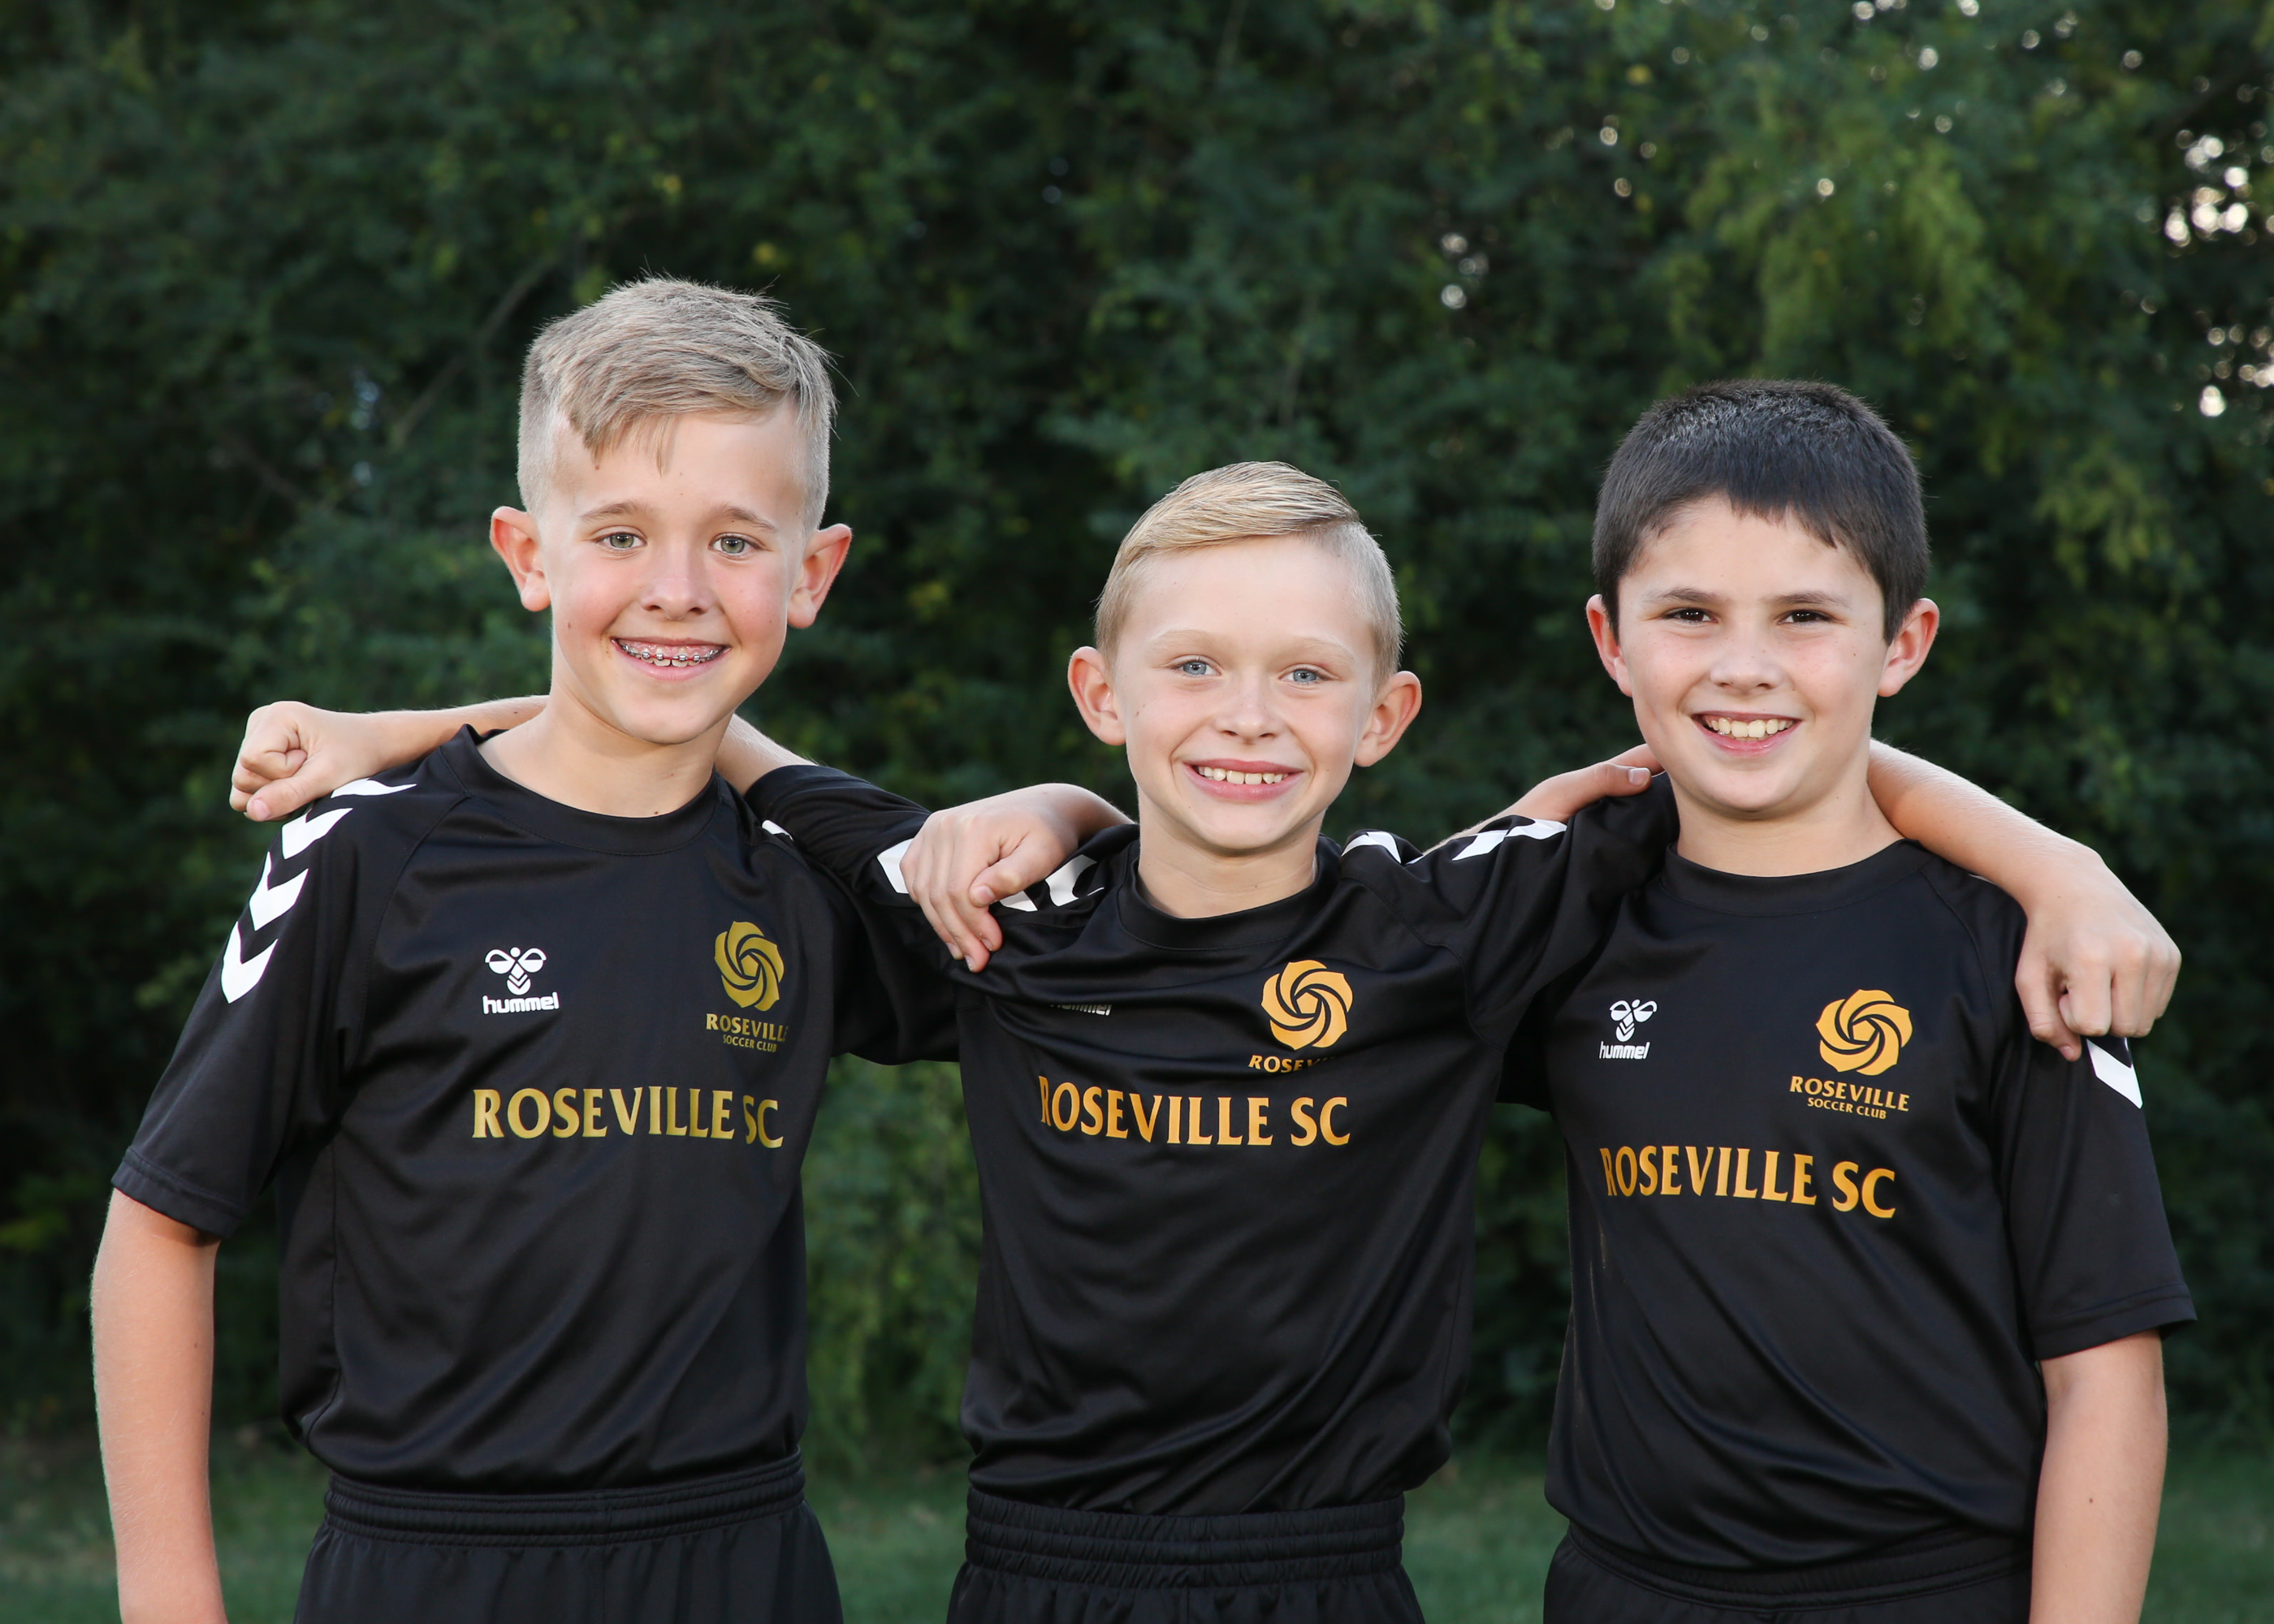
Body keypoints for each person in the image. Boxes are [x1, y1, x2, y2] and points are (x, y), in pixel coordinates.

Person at [231, 461, 2178, 1624]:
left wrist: (2056, 861)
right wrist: (405, 729)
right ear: (1100, 692)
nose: (1245, 716)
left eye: (1303, 673)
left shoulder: (1451, 921)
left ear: (1382, 718)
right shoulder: (996, 912)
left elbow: (1747, 746)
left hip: (1329, 1571)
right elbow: (688, 709)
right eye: (1192, 667)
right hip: (1033, 1574)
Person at [89, 278, 1118, 1624]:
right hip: (434, 1569)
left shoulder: (803, 876)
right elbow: (162, 1223)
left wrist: (1068, 804)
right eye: (621, 534)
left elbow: (1114, 943)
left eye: (736, 542)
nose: (678, 591)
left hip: (744, 1567)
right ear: (529, 556)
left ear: (813, 575)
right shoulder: (367, 857)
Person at [1511, 381, 2194, 1624]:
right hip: (1623, 1590)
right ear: (1611, 639)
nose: (1744, 667)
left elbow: (2105, 1372)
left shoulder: (2017, 949)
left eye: (1806, 616)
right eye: (1689, 614)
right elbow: (1302, 949)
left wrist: (2057, 867)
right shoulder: (1566, 919)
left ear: (1904, 643)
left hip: (1930, 1593)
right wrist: (1077, 816)